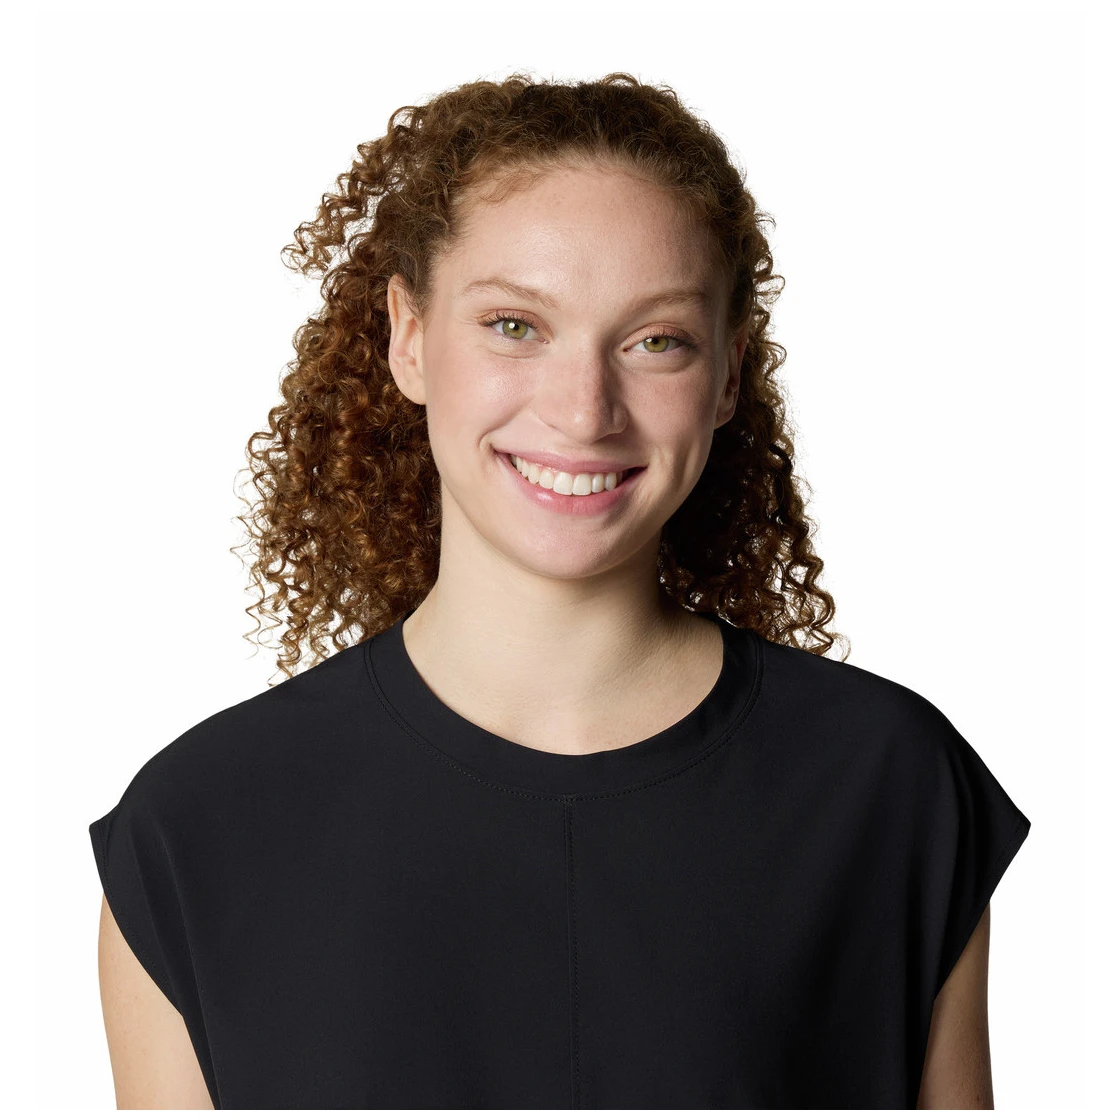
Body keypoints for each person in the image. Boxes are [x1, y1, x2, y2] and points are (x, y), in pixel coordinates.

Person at [89, 72, 1030, 1109]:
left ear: (727, 374)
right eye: (513, 325)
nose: (585, 411)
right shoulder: (198, 827)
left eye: (656, 340)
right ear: (408, 336)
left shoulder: (888, 786)